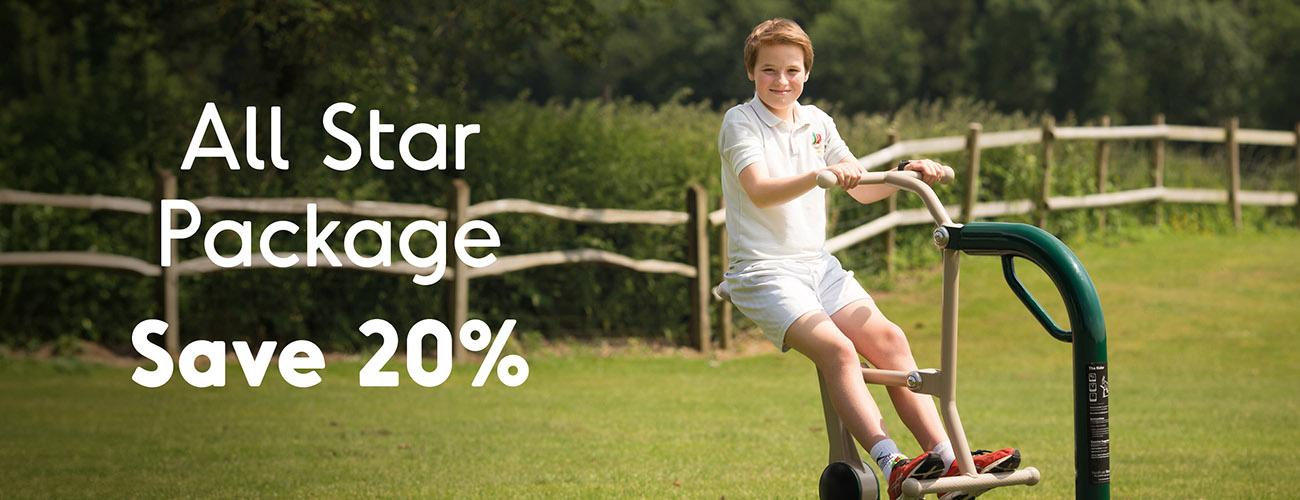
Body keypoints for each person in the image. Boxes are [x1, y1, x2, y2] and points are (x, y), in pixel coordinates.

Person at [716, 18, 1019, 500]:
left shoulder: (818, 122)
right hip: (762, 271)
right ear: (751, 72)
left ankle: (946, 461)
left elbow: (860, 188)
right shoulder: (740, 121)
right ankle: (892, 463)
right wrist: (821, 173)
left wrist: (906, 172)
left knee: (891, 340)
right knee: (839, 351)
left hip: (817, 265)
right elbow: (759, 190)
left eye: (792, 70)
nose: (781, 81)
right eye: (769, 70)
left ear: (807, 74)